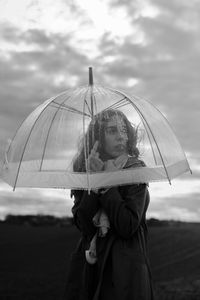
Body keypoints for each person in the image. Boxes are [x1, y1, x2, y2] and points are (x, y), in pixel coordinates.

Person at [64, 109, 154, 300]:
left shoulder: (135, 170)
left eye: (123, 130)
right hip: (90, 266)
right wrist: (94, 181)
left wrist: (108, 184)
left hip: (125, 270)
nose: (121, 136)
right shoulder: (86, 170)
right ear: (98, 137)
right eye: (112, 131)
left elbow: (127, 225)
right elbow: (85, 226)